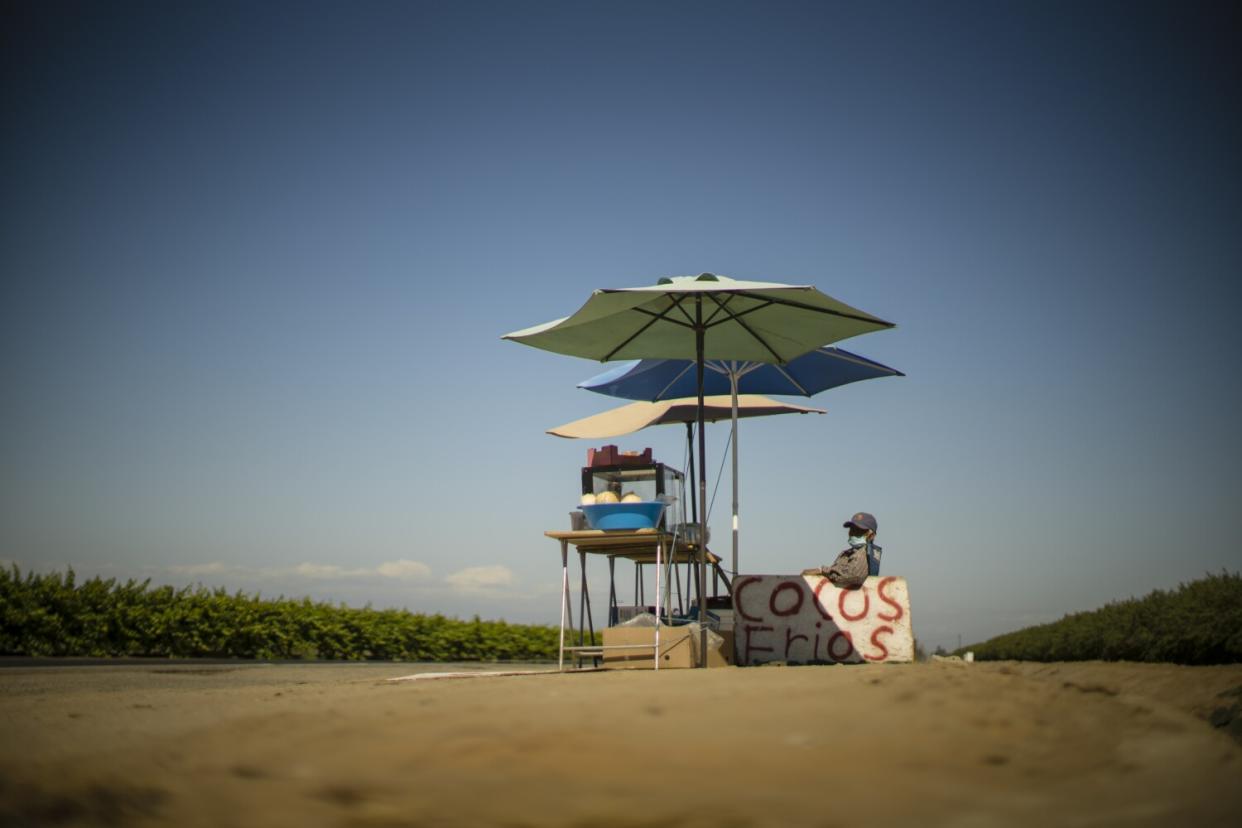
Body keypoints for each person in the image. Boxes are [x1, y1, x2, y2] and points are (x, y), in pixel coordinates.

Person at [801, 512, 883, 589]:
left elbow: (853, 576)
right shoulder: (846, 553)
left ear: (871, 535)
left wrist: (822, 570)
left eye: (859, 530)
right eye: (852, 529)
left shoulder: (865, 553)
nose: (852, 533)